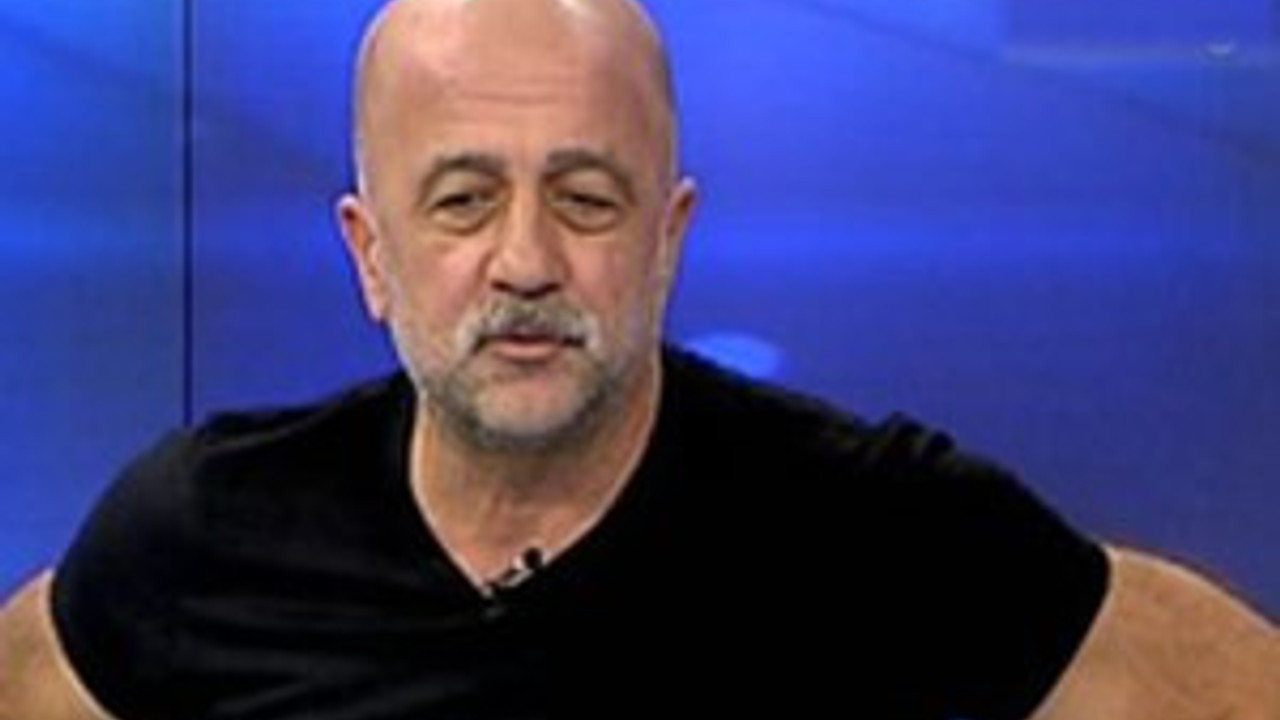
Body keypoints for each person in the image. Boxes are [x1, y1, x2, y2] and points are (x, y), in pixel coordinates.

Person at [2, 0, 1277, 717]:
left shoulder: (874, 527)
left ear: (668, 241)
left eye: (586, 199)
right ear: (368, 251)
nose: (524, 260)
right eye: (460, 201)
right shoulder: (195, 539)